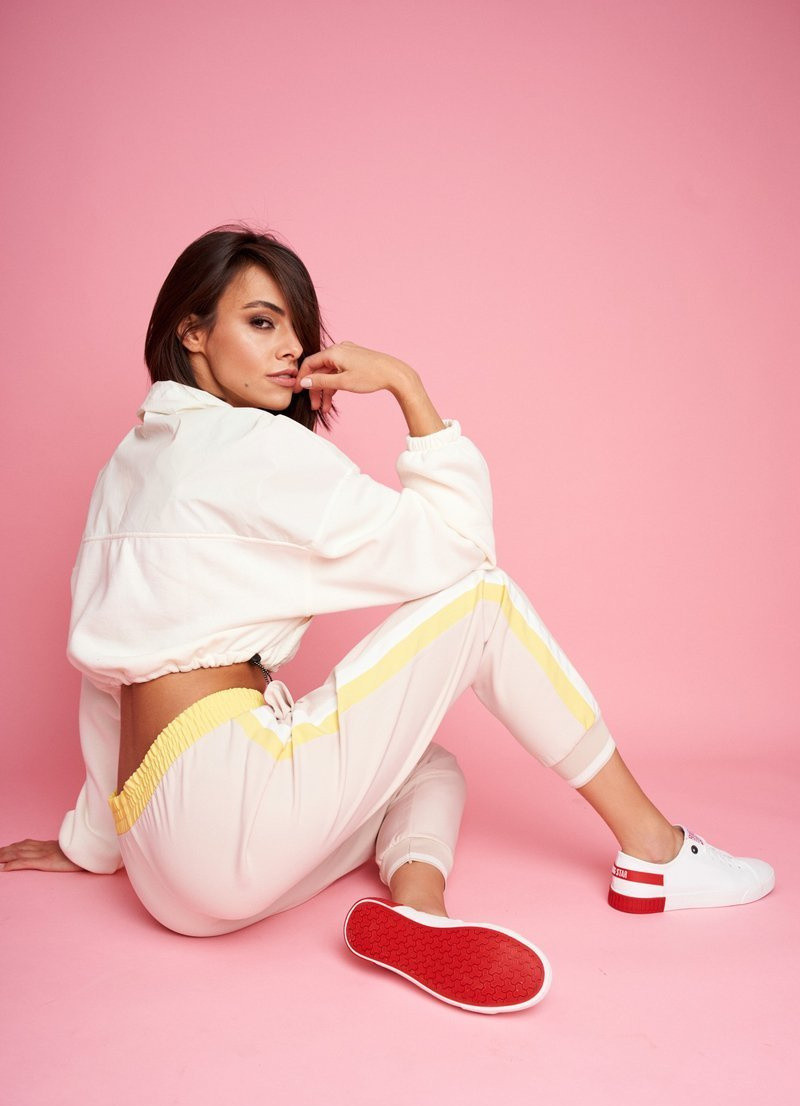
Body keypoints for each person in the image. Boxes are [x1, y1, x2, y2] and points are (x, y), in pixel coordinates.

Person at [0, 224, 775, 1015]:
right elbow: (462, 551)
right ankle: (655, 851)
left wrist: (94, 842)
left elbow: (106, 671)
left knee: (428, 768)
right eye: (262, 322)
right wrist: (406, 385)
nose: (290, 349)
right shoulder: (253, 447)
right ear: (191, 332)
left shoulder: (127, 466)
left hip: (164, 875)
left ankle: (419, 913)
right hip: (226, 816)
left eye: (296, 330)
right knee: (483, 600)